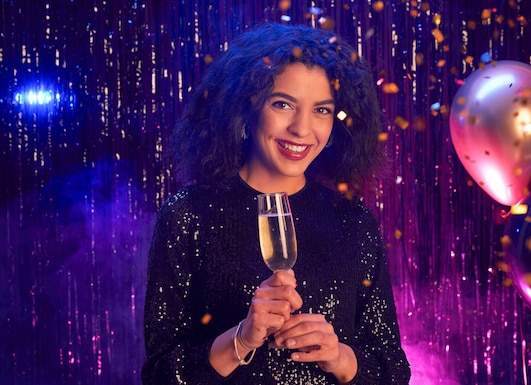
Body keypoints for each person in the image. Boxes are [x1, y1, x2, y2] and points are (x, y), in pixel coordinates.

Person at [142, 22, 411, 384]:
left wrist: (340, 357)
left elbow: (392, 371)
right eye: (283, 104)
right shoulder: (187, 216)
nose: (302, 129)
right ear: (245, 107)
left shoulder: (353, 223)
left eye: (322, 110)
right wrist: (240, 339)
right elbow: (159, 376)